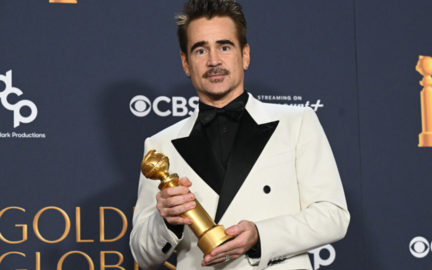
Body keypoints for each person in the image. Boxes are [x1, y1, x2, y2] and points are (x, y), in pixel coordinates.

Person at [130, 0, 350, 269]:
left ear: (245, 55)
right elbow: (143, 256)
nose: (213, 61)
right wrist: (165, 220)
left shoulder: (297, 122)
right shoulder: (160, 146)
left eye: (224, 47)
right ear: (185, 63)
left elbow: (333, 216)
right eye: (200, 50)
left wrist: (261, 235)